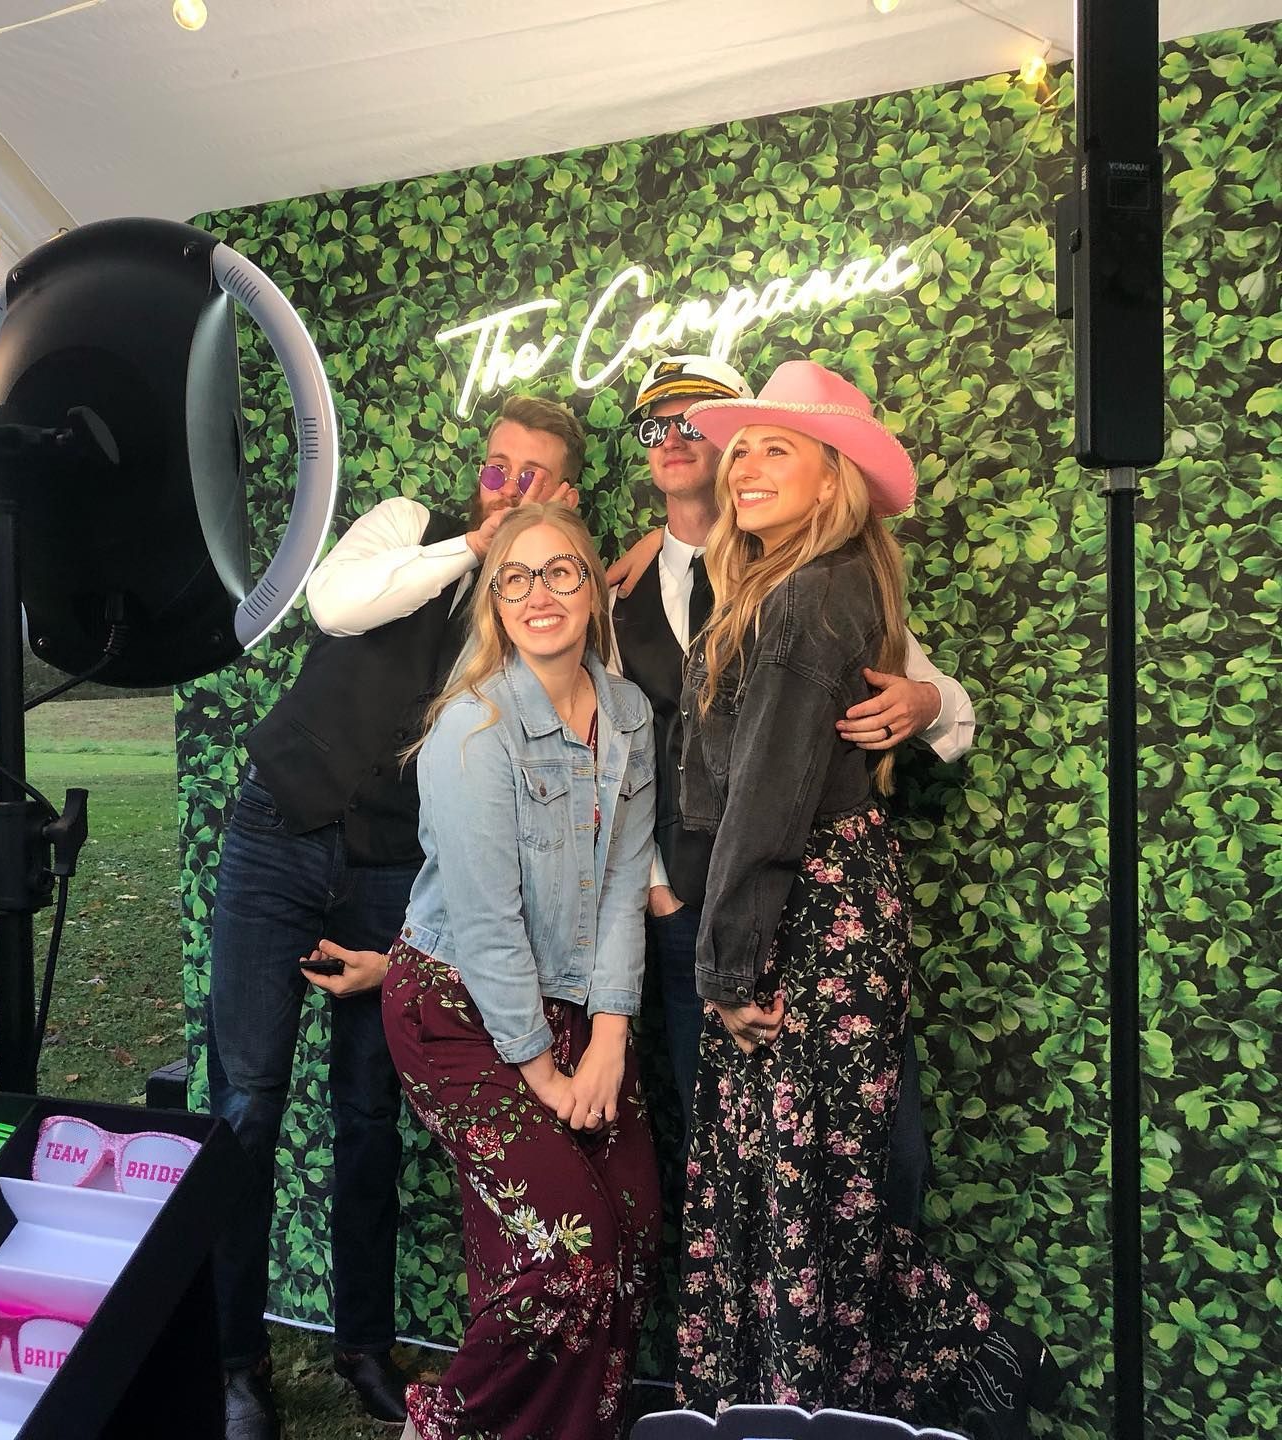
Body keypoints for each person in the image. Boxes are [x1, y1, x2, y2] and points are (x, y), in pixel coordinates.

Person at [671, 361, 1059, 1437]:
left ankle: (896, 1375)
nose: (744, 463)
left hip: (804, 919)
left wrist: (729, 969)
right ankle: (935, 1364)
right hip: (808, 909)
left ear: (833, 477)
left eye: (775, 447)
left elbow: (764, 806)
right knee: (800, 1189)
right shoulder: (794, 585)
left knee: (806, 1195)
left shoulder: (811, 598)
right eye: (739, 446)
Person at [206, 395, 586, 1438]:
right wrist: (475, 542)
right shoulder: (408, 524)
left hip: (388, 866)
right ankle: (236, 1362)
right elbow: (336, 605)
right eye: (499, 466)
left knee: (371, 1116)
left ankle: (362, 1347)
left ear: (563, 490)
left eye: (533, 475)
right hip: (278, 831)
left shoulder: (531, 600)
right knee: (245, 1102)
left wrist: (537, 566)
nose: (508, 486)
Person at [610, 354, 975, 1224]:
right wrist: (658, 888)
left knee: (866, 1155)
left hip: (810, 906)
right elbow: (617, 758)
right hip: (691, 904)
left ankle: (845, 1337)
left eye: (701, 421)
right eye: (656, 425)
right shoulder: (614, 590)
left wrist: (927, 699)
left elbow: (945, 710)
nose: (681, 440)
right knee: (732, 1150)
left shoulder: (813, 582)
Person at [381, 501, 661, 1440]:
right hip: (457, 1009)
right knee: (565, 1255)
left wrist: (610, 1044)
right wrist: (545, 1071)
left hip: (576, 1007)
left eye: (561, 572)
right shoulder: (474, 728)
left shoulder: (627, 716)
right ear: (494, 604)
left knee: (632, 1228)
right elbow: (489, 923)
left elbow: (625, 886)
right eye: (517, 579)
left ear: (593, 585)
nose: (541, 595)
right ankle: (446, 1426)